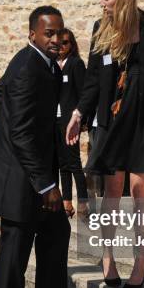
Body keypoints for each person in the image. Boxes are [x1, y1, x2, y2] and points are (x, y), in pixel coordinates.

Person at [0, 6, 89, 288]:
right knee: (14, 252)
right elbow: (23, 133)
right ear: (33, 35)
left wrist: (4, 129)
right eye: (48, 34)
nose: (55, 40)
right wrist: (46, 184)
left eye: (59, 33)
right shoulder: (29, 66)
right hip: (22, 178)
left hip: (35, 170)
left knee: (57, 233)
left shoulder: (45, 64)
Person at [66, 0, 144, 288]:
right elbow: (93, 78)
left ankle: (141, 260)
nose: (102, 5)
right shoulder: (102, 28)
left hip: (143, 119)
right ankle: (108, 255)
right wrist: (78, 112)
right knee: (112, 191)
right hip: (110, 119)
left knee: (140, 189)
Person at [55, 28, 89, 219]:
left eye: (66, 43)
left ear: (72, 44)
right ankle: (66, 201)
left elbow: (84, 92)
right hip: (56, 120)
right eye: (59, 43)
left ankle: (83, 201)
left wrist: (81, 119)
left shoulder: (76, 64)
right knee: (62, 163)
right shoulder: (52, 64)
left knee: (74, 162)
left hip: (71, 121)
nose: (61, 46)